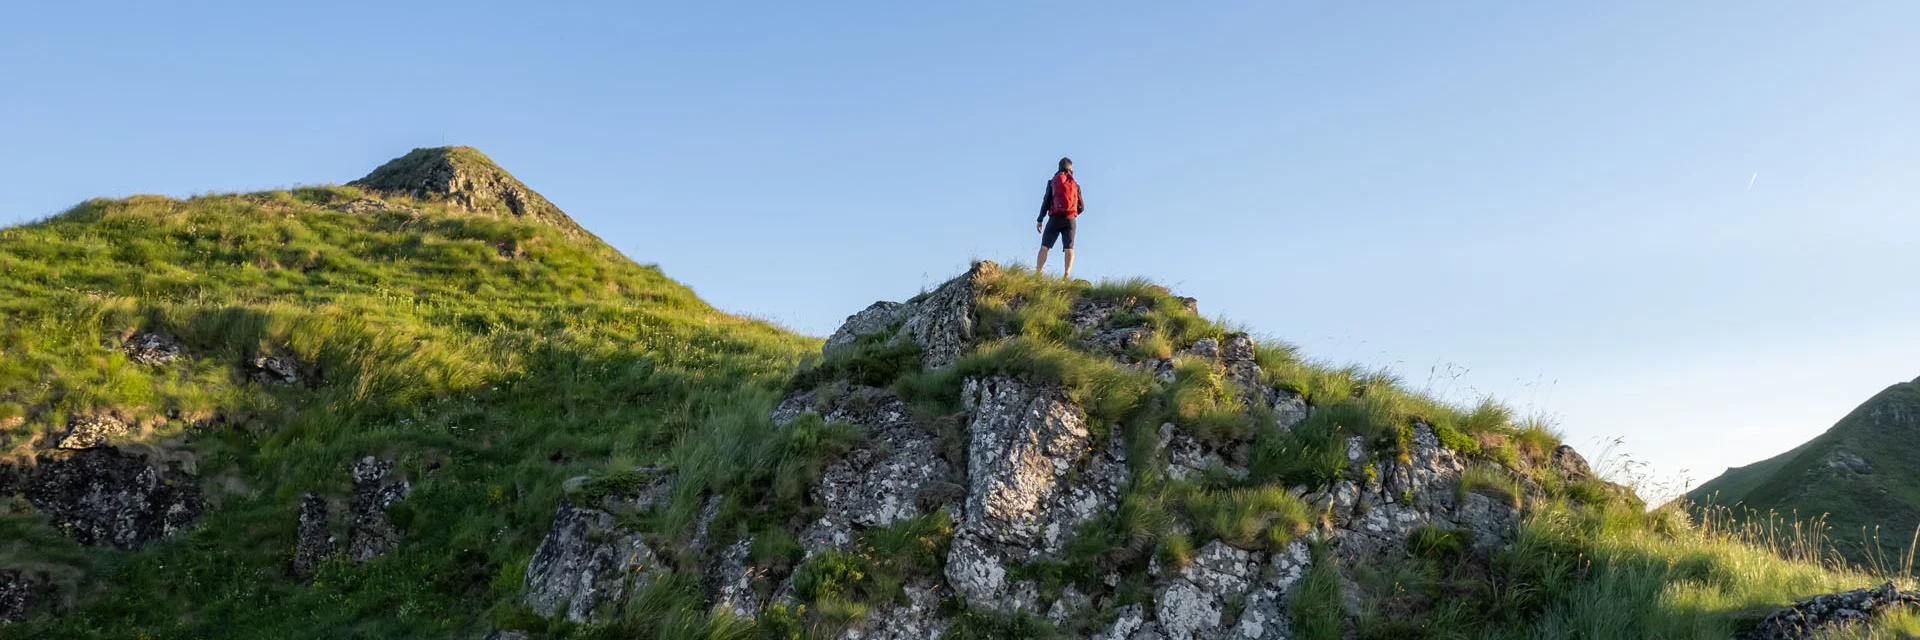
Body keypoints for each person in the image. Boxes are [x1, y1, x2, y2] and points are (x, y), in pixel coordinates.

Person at [1036, 157, 1084, 279]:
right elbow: (1082, 207)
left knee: (1045, 246)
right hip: (1070, 219)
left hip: (1055, 217)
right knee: (1069, 247)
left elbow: (1046, 201)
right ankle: (1066, 275)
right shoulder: (1075, 185)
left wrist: (1040, 219)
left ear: (1059, 167)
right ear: (1070, 169)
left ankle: (1038, 274)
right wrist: (1072, 213)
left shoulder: (1052, 182)